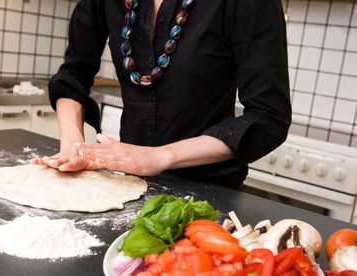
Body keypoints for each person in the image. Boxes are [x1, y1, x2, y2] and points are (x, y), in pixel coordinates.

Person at [32, 0, 291, 189]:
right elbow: (73, 75)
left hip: (209, 193)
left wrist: (157, 157)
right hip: (124, 184)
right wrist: (74, 147)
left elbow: (268, 116)